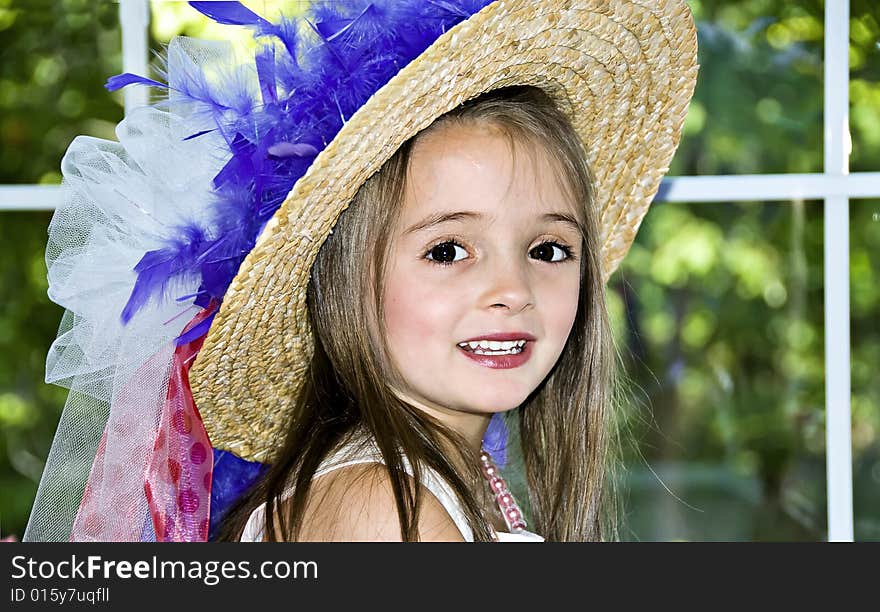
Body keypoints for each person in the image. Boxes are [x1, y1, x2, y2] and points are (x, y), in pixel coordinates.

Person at [25, 0, 698, 542]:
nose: (512, 291)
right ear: (345, 282)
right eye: (448, 250)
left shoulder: (448, 478)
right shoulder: (384, 509)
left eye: (549, 250)